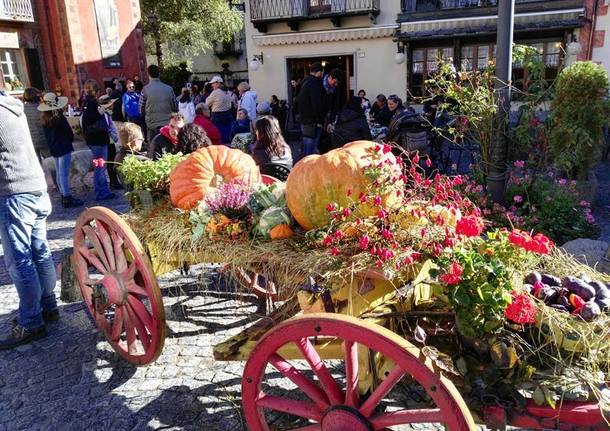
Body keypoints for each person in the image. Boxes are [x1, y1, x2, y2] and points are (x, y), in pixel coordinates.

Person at [0, 91, 59, 350]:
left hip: (13, 192)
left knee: (20, 260)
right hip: (35, 188)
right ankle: (48, 306)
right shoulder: (13, 106)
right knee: (40, 252)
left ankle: (31, 321)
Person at [38, 93, 84, 208]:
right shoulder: (59, 118)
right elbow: (68, 132)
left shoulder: (44, 119)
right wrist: (69, 139)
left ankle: (63, 194)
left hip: (54, 148)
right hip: (63, 147)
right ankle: (67, 197)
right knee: (63, 173)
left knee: (59, 172)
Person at [81, 79, 115, 200]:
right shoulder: (91, 103)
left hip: (93, 140)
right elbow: (89, 120)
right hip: (98, 140)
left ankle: (103, 190)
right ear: (95, 91)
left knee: (99, 166)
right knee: (100, 166)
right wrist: (101, 112)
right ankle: (102, 192)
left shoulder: (86, 102)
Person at [141, 64, 177, 143]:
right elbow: (175, 107)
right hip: (167, 125)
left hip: (152, 125)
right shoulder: (169, 89)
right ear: (159, 74)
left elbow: (141, 109)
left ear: (148, 74)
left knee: (154, 149)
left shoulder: (145, 90)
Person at [297, 62, 325, 156]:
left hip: (304, 119)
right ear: (319, 72)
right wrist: (320, 119)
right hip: (312, 121)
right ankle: (307, 169)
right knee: (310, 149)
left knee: (305, 146)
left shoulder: (304, 81)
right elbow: (317, 102)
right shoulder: (314, 82)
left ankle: (301, 167)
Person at [97, 95, 121, 189]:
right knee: (111, 163)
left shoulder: (106, 114)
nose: (113, 105)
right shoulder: (105, 115)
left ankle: (113, 181)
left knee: (109, 163)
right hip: (108, 142)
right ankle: (113, 182)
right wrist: (115, 137)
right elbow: (108, 129)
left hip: (107, 141)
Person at [22, 88, 49, 160]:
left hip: (30, 140)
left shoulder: (21, 109)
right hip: (44, 139)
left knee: (37, 163)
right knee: (51, 161)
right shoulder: (42, 107)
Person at [205, 76, 233, 144]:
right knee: (227, 133)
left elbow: (207, 103)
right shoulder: (228, 92)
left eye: (213, 83)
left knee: (218, 134)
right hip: (228, 114)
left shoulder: (216, 92)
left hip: (217, 116)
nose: (212, 85)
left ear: (218, 83)